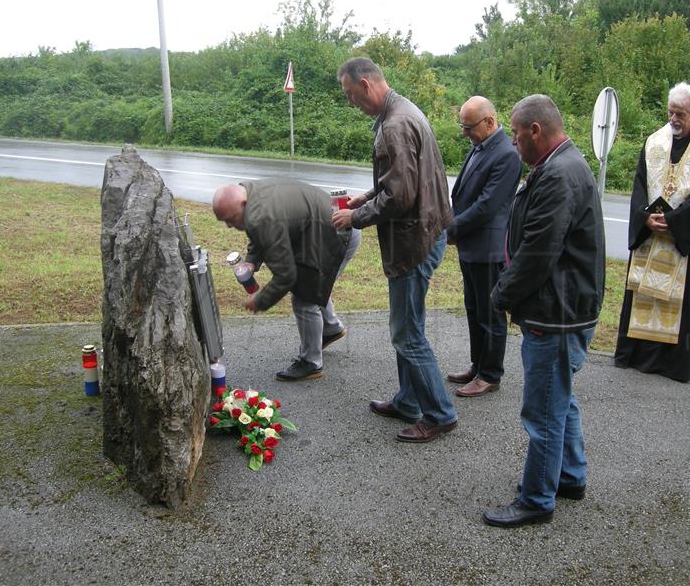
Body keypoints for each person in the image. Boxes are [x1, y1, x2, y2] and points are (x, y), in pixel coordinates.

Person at [482, 95, 605, 528]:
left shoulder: (558, 174)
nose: (513, 142)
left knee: (544, 411)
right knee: (560, 400)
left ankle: (536, 499)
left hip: (557, 312)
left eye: (516, 134)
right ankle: (569, 476)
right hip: (565, 307)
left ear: (536, 130)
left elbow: (538, 252)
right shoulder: (560, 165)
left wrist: (499, 297)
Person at [332, 57, 457, 443]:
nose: (352, 104)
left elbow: (398, 197)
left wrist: (355, 218)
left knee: (407, 333)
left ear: (367, 85)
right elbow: (402, 181)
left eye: (352, 95)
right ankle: (407, 400)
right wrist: (364, 197)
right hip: (426, 231)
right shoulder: (405, 110)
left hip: (413, 240)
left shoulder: (395, 125)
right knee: (407, 326)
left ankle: (439, 413)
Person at [614, 82, 690, 383]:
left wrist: (672, 222)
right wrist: (644, 219)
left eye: (681, 114)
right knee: (642, 294)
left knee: (677, 300)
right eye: (671, 112)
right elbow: (639, 186)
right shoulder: (654, 142)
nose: (673, 119)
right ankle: (636, 355)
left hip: (678, 240)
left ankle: (672, 363)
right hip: (650, 235)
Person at [212, 179, 360, 381]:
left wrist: (260, 300)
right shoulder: (249, 193)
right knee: (312, 286)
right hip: (321, 228)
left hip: (337, 232)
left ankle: (311, 363)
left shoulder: (261, 215)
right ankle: (331, 328)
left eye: (230, 218)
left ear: (243, 204)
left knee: (304, 297)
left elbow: (286, 275)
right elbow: (257, 231)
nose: (229, 225)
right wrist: (252, 262)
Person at [446, 95, 522, 397]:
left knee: (490, 313)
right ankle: (478, 364)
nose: (464, 133)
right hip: (471, 244)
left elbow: (487, 206)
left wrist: (452, 228)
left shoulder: (507, 154)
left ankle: (490, 373)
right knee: (473, 308)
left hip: (489, 248)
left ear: (489, 122)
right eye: (463, 127)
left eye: (469, 127)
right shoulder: (481, 146)